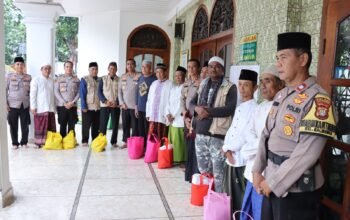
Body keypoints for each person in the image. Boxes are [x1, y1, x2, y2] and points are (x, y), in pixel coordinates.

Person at [252, 32, 337, 220]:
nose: (277, 64)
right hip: (270, 181)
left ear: (303, 59)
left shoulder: (318, 100)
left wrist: (273, 183)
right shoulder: (282, 95)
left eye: (284, 57)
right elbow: (266, 134)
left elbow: (307, 153)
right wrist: (257, 169)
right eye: (277, 58)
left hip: (296, 191)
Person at [239, 65, 284, 220]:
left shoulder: (283, 108)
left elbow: (272, 140)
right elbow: (248, 132)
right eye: (261, 81)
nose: (263, 85)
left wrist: (250, 150)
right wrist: (253, 148)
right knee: (249, 210)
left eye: (268, 81)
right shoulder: (260, 107)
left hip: (267, 173)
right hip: (252, 167)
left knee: (261, 213)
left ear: (280, 85)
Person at [189, 56, 237, 192]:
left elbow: (229, 108)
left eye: (217, 66)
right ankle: (206, 197)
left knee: (218, 173)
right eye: (210, 66)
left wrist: (208, 112)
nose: (213, 69)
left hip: (217, 135)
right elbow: (191, 103)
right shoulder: (203, 84)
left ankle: (218, 201)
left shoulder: (230, 87)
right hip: (201, 134)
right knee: (203, 170)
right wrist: (197, 109)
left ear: (222, 70)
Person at [222, 69, 258, 218]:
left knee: (239, 195)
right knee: (230, 193)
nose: (242, 89)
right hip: (231, 156)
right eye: (240, 85)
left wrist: (227, 148)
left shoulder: (255, 109)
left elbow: (244, 135)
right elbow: (232, 130)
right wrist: (226, 148)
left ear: (255, 88)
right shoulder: (240, 106)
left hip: (241, 159)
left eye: (246, 85)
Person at [181, 59, 202, 182]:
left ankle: (195, 172)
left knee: (195, 146)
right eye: (189, 67)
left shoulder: (202, 83)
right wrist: (184, 113)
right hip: (187, 118)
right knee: (188, 146)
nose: (191, 69)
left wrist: (192, 116)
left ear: (198, 68)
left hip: (196, 119)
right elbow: (182, 100)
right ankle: (189, 172)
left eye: (193, 67)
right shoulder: (186, 83)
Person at [6, 56, 31, 149]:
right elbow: (4, 90)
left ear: (24, 66)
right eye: (18, 64)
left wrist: (31, 104)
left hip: (25, 104)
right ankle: (14, 143)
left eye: (21, 64)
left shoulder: (28, 77)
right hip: (12, 105)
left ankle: (24, 142)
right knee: (13, 124)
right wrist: (5, 104)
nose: (20, 66)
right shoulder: (9, 77)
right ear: (14, 66)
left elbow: (31, 92)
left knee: (25, 124)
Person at [30, 63, 56, 148]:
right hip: (40, 108)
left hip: (50, 107)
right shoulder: (36, 79)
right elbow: (33, 94)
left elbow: (54, 95)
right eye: (45, 69)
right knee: (40, 127)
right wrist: (33, 106)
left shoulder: (52, 80)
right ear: (41, 70)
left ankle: (49, 142)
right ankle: (39, 143)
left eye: (49, 69)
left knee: (50, 126)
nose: (47, 70)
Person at [146, 63, 173, 140]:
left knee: (162, 136)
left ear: (165, 72)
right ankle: (152, 151)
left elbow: (170, 100)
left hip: (163, 115)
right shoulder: (154, 84)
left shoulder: (170, 84)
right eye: (157, 72)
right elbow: (149, 99)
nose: (158, 74)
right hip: (153, 115)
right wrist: (148, 113)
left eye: (160, 72)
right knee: (152, 136)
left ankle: (161, 152)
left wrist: (168, 113)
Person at [166, 66, 187, 164]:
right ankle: (173, 158)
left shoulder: (185, 87)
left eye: (180, 76)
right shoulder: (173, 89)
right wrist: (168, 114)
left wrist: (174, 115)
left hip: (180, 118)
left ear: (184, 76)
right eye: (176, 76)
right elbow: (168, 102)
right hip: (172, 119)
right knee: (173, 141)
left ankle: (181, 160)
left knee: (180, 141)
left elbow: (181, 104)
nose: (178, 78)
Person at [118, 59, 141, 147]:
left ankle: (134, 142)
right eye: (128, 64)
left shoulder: (139, 76)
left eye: (131, 64)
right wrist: (121, 103)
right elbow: (119, 91)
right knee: (125, 125)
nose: (129, 66)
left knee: (135, 126)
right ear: (126, 66)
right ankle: (126, 142)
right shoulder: (123, 76)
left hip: (135, 106)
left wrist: (138, 105)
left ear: (135, 65)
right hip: (125, 106)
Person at [55, 61, 80, 138]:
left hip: (73, 105)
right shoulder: (59, 79)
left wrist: (73, 102)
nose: (69, 68)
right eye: (67, 67)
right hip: (62, 106)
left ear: (72, 68)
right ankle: (62, 140)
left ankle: (71, 140)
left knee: (72, 124)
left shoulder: (76, 80)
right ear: (64, 68)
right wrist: (64, 102)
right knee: (62, 124)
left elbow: (79, 92)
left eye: (70, 67)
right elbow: (56, 91)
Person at [135, 60, 157, 148]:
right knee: (140, 129)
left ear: (150, 68)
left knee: (148, 129)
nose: (143, 69)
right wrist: (136, 106)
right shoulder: (140, 78)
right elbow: (137, 93)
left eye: (146, 67)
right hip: (140, 108)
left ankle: (149, 147)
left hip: (149, 110)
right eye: (142, 67)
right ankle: (142, 146)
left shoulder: (154, 79)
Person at [98, 62, 120, 148]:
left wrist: (117, 102)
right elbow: (99, 92)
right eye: (111, 68)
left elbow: (121, 92)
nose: (112, 70)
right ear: (108, 69)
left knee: (115, 125)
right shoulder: (102, 79)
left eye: (114, 69)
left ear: (116, 70)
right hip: (105, 106)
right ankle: (102, 142)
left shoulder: (120, 79)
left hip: (115, 106)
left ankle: (113, 142)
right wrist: (105, 101)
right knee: (103, 125)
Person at [80, 62, 100, 147]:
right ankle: (85, 140)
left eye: (96, 69)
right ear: (89, 70)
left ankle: (94, 140)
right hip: (88, 107)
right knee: (86, 125)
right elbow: (82, 93)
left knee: (96, 125)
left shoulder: (100, 80)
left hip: (98, 107)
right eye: (92, 69)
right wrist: (84, 106)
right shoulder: (84, 79)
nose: (94, 71)